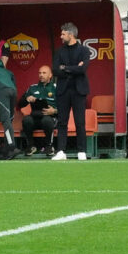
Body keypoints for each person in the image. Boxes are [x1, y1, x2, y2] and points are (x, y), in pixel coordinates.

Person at [50, 23, 92, 161]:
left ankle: (82, 151)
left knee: (80, 122)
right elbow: (55, 70)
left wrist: (65, 68)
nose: (61, 36)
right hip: (63, 90)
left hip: (79, 90)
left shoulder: (84, 50)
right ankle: (61, 151)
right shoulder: (59, 51)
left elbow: (82, 69)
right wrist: (74, 68)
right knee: (62, 122)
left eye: (63, 34)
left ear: (71, 34)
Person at [21, 65, 60, 156]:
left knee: (47, 120)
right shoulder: (32, 88)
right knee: (26, 120)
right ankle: (31, 146)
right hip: (35, 116)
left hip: (50, 117)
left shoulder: (56, 88)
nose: (41, 75)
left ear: (50, 75)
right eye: (40, 73)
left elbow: (64, 107)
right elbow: (20, 104)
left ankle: (49, 146)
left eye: (44, 73)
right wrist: (27, 99)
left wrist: (54, 111)